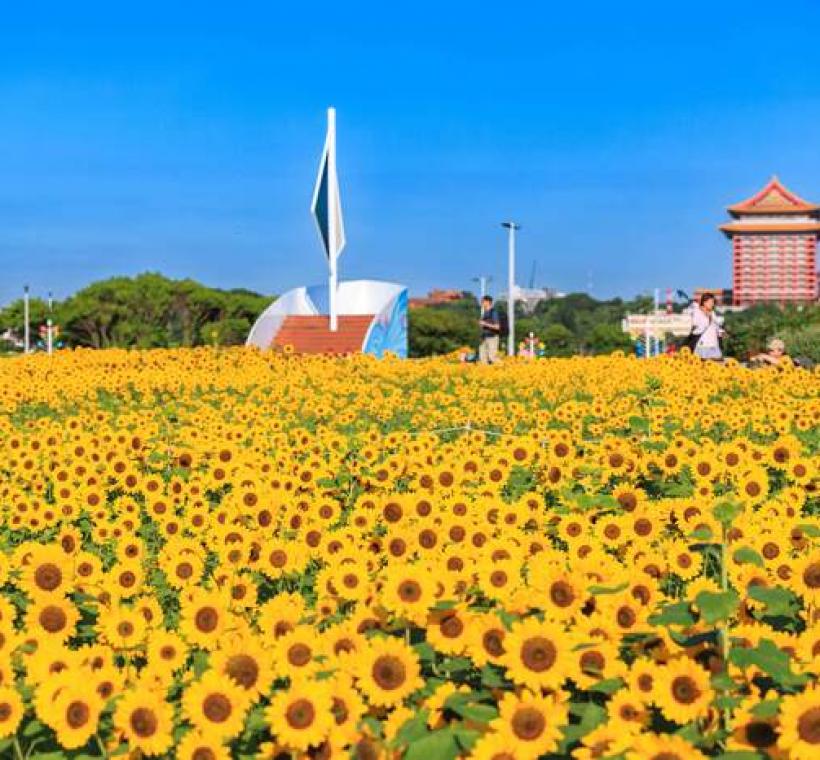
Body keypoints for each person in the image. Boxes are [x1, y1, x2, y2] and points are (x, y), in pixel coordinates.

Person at [689, 293, 724, 360]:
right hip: (703, 344)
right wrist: (706, 316)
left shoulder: (712, 313)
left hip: (713, 344)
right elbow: (695, 326)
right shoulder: (697, 311)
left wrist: (720, 332)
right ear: (704, 302)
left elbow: (716, 326)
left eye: (713, 302)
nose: (712, 304)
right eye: (711, 302)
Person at [478, 295, 500, 364]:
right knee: (482, 358)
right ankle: (485, 373)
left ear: (488, 302)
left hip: (492, 337)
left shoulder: (493, 312)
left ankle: (505, 368)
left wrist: (485, 324)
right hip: (484, 337)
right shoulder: (484, 313)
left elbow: (497, 327)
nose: (481, 303)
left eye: (482, 301)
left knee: (492, 357)